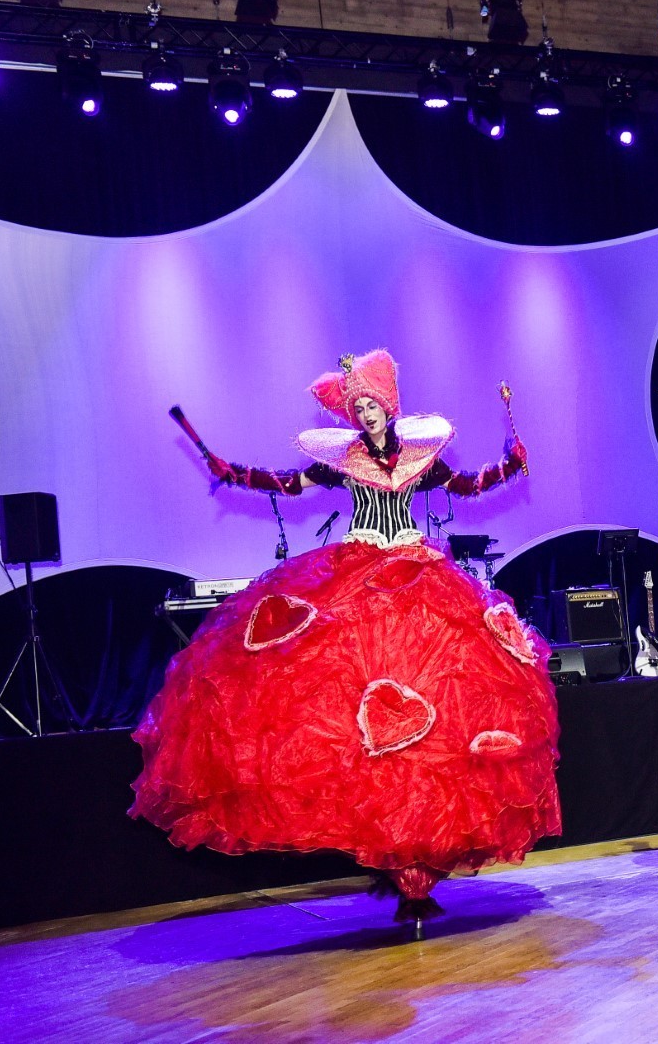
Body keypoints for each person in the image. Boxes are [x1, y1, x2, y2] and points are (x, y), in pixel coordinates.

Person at [131, 350, 560, 936]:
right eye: (357, 407)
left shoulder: (420, 457)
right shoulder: (344, 461)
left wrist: (509, 465)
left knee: (436, 703)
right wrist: (234, 473)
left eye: (372, 404)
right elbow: (289, 484)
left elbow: (465, 485)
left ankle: (417, 867)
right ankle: (394, 856)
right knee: (351, 705)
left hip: (416, 574)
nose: (366, 413)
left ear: (388, 407)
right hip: (358, 573)